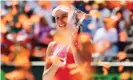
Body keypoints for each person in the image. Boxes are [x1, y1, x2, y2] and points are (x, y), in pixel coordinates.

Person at [42, 5, 95, 80]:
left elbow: (84, 72)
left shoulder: (84, 41)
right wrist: (55, 66)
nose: (60, 21)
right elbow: (45, 78)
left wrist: (72, 44)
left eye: (64, 16)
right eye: (57, 18)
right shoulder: (52, 45)